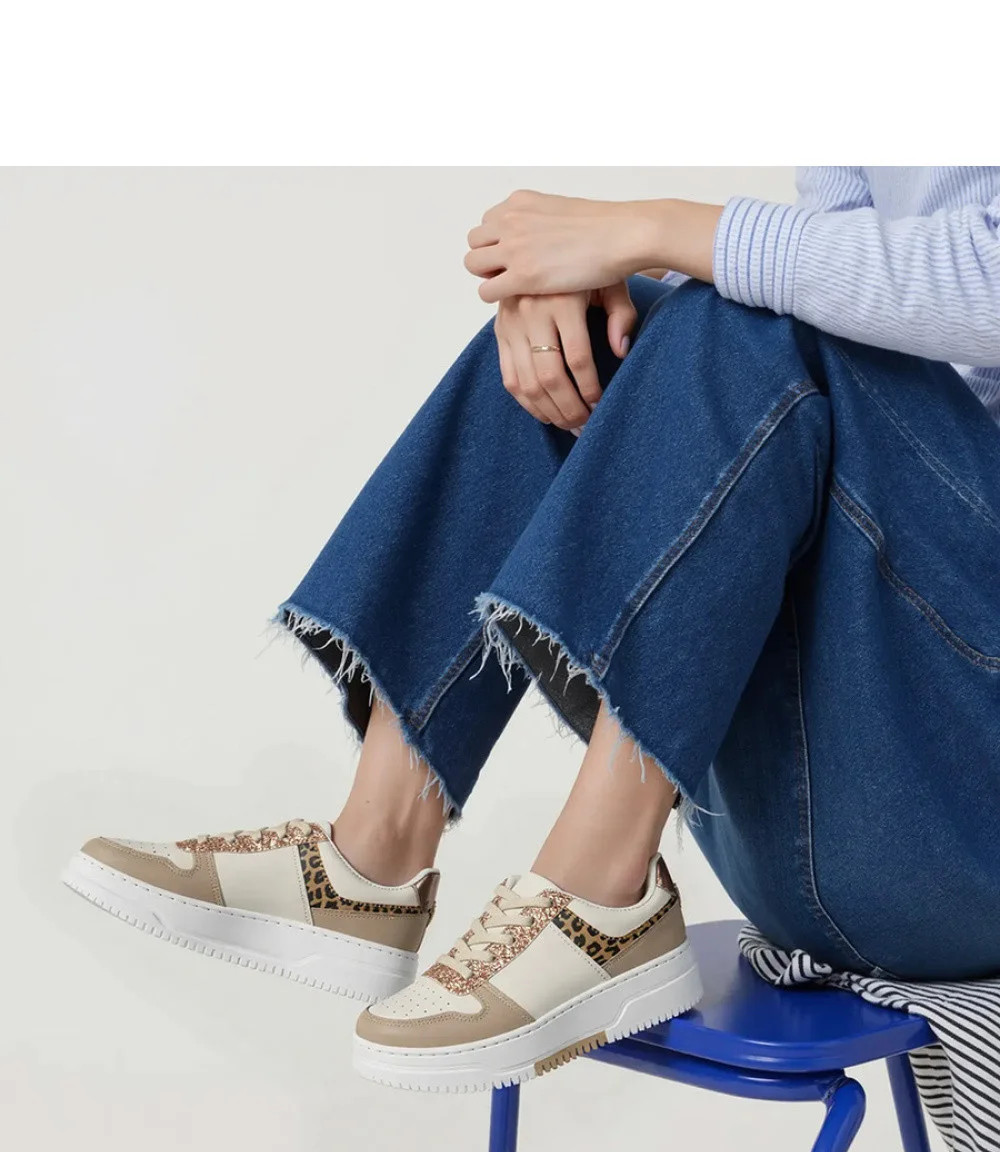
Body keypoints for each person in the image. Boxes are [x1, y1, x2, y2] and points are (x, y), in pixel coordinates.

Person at [63, 168, 1000, 1094]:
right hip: (857, 807)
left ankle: (599, 897)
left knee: (738, 312)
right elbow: (846, 285)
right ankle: (371, 853)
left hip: (963, 818)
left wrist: (651, 230)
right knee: (597, 328)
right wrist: (586, 283)